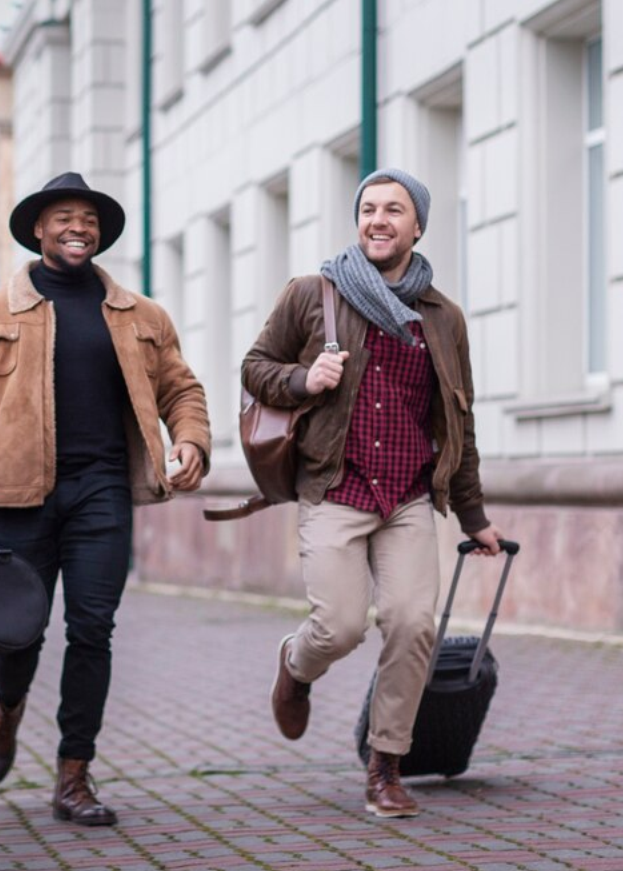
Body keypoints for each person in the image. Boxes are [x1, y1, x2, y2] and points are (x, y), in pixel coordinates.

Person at [0, 171, 211, 825]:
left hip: (104, 493)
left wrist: (191, 440)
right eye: (64, 217)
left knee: (92, 630)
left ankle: (74, 774)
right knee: (16, 629)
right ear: (38, 229)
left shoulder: (141, 316)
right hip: (22, 497)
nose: (79, 227)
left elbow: (181, 391)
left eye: (89, 218)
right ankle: (8, 708)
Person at [243, 167, 505, 819]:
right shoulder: (315, 294)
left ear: (418, 225)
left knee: (414, 624)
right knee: (338, 627)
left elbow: (459, 420)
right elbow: (254, 368)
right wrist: (305, 380)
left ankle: (385, 765)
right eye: (368, 209)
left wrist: (473, 515)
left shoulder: (443, 318)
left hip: (409, 496)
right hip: (336, 487)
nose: (379, 220)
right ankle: (296, 667)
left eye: (394, 209)